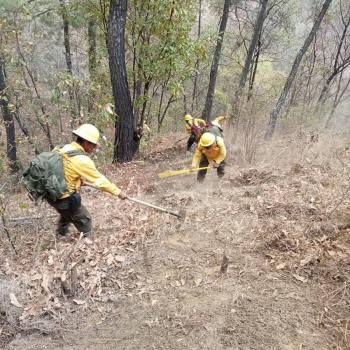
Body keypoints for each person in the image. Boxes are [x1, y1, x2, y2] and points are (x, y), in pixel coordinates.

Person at [48, 124, 127, 238]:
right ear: (86, 142)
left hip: (50, 193)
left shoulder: (62, 148)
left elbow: (64, 169)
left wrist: (79, 180)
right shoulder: (82, 160)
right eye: (94, 145)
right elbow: (101, 181)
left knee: (67, 213)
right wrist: (118, 192)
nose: (94, 148)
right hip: (63, 197)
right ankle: (87, 243)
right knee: (85, 219)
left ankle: (60, 236)